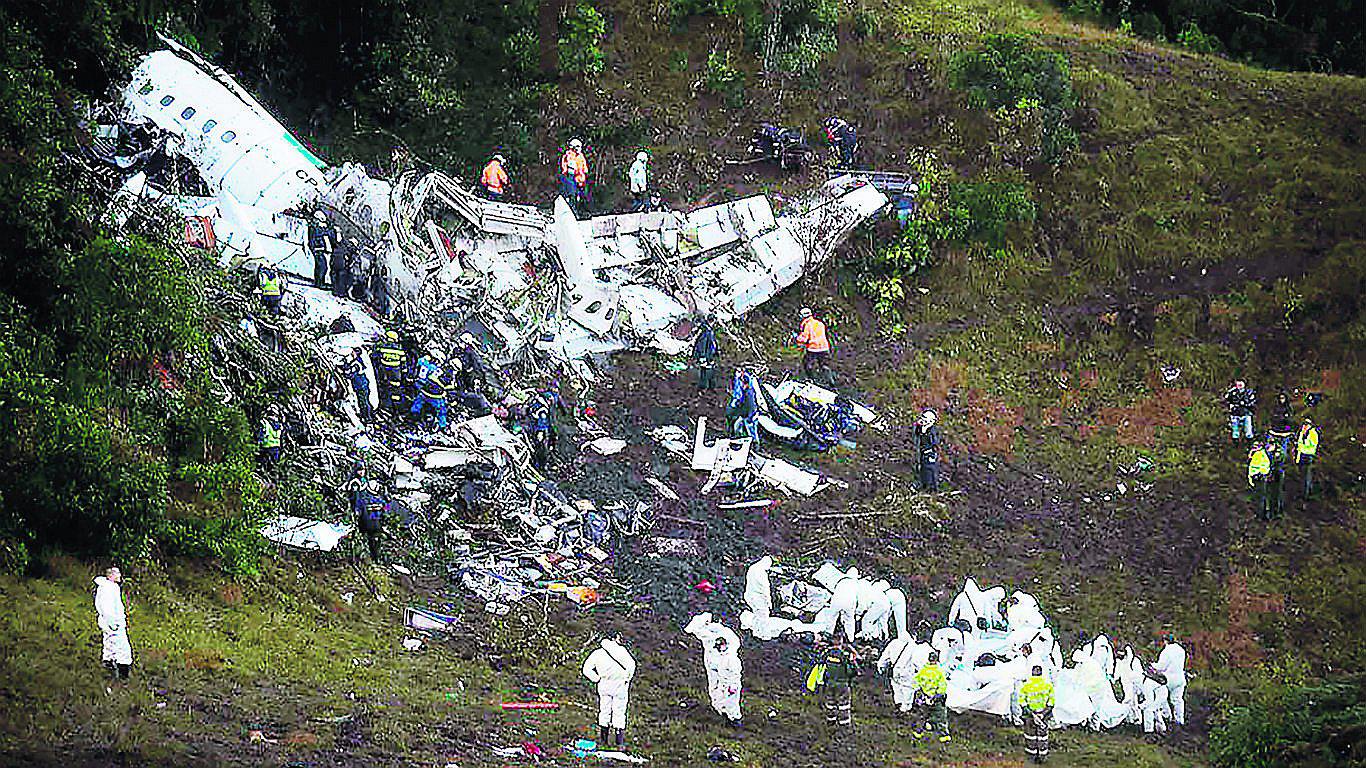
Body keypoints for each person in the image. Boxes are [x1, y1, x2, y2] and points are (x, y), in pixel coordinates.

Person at [685, 613, 743, 727]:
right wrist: (705, 619)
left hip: (727, 670)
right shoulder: (707, 634)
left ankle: (734, 718)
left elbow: (734, 674)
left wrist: (733, 685)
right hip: (713, 666)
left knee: (730, 694)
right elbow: (690, 628)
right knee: (715, 690)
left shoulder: (730, 650)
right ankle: (722, 711)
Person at [582, 636, 636, 748]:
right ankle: (619, 742)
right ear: (615, 637)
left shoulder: (597, 653)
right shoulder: (622, 651)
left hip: (604, 684)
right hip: (620, 685)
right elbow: (632, 666)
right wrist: (626, 679)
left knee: (604, 711)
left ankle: (604, 741)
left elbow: (586, 669)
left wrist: (597, 679)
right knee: (619, 712)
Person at [94, 567, 133, 680]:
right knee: (122, 648)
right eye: (118, 573)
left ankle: (109, 669)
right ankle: (122, 675)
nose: (120, 575)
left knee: (110, 645)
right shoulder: (107, 589)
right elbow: (106, 608)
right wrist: (113, 623)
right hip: (112, 623)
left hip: (111, 622)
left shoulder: (111, 587)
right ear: (111, 575)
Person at [812, 636, 858, 730]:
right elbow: (851, 671)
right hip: (842, 683)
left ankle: (830, 720)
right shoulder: (844, 656)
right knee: (844, 704)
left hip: (829, 683)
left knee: (830, 702)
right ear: (841, 642)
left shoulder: (827, 654)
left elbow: (820, 664)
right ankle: (844, 724)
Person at [912, 650, 950, 743]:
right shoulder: (939, 672)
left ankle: (918, 733)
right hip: (936, 699)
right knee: (940, 717)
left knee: (922, 716)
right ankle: (944, 736)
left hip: (924, 697)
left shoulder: (923, 670)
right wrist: (937, 696)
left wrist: (922, 693)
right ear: (937, 660)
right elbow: (942, 686)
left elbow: (916, 682)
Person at [1020, 665, 1055, 763]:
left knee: (1030, 735)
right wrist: (1043, 714)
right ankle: (1042, 756)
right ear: (1041, 673)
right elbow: (1051, 702)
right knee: (1042, 736)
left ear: (1032, 673)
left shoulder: (1026, 686)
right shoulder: (1048, 686)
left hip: (1030, 716)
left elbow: (1022, 702)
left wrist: (1031, 713)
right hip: (1043, 715)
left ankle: (1032, 756)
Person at [525, 384, 564, 469]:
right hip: (539, 427)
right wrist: (540, 431)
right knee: (541, 446)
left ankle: (550, 454)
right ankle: (539, 464)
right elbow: (541, 420)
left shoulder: (546, 400)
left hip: (545, 424)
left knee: (549, 440)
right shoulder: (542, 408)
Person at [1153, 633, 1187, 727]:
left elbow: (1161, 666)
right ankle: (1180, 721)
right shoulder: (1181, 650)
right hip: (1180, 678)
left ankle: (1167, 716)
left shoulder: (1166, 651)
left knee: (1161, 697)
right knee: (1178, 700)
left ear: (1165, 641)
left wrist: (1152, 665)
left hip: (1168, 679)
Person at [793, 307, 831, 384]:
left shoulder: (807, 325)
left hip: (813, 348)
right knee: (824, 366)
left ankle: (812, 380)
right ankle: (831, 384)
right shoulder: (820, 323)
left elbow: (804, 339)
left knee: (807, 364)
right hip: (824, 347)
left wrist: (796, 337)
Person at [410, 363, 452, 431]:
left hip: (424, 392)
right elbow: (448, 388)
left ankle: (413, 415)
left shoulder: (436, 369)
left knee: (418, 403)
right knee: (441, 410)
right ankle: (442, 426)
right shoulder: (450, 376)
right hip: (435, 397)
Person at [374, 331, 407, 413]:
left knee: (384, 387)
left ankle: (386, 406)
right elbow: (403, 362)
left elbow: (376, 355)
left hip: (384, 371)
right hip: (395, 372)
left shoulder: (382, 347)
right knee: (395, 389)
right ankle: (397, 407)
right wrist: (404, 373)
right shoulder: (399, 348)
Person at [355, 480, 387, 561]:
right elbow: (386, 509)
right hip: (375, 524)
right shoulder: (380, 499)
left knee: (372, 540)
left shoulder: (363, 498)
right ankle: (376, 557)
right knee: (375, 541)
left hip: (368, 525)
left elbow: (357, 511)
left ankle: (373, 557)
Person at [726, 369, 760, 442]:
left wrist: (746, 416)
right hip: (746, 413)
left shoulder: (749, 393)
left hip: (750, 415)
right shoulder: (745, 391)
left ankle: (753, 445)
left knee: (750, 430)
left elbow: (750, 407)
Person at [914, 409, 942, 492]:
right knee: (923, 469)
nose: (922, 419)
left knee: (930, 470)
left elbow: (934, 442)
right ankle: (924, 486)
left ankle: (932, 489)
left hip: (930, 454)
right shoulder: (921, 428)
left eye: (925, 417)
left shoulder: (932, 431)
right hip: (923, 453)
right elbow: (917, 434)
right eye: (922, 417)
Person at [559, 138, 589, 213]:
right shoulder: (569, 155)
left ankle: (581, 211)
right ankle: (573, 211)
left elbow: (584, 168)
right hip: (571, 178)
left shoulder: (580, 156)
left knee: (582, 196)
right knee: (572, 196)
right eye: (578, 147)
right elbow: (569, 169)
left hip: (580, 180)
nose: (579, 149)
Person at [307, 210, 335, 288]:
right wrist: (329, 227)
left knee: (320, 266)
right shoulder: (314, 228)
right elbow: (322, 233)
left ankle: (318, 282)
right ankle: (320, 283)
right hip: (317, 249)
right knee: (322, 266)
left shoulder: (314, 227)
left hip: (319, 249)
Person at [343, 348, 372, 422]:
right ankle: (366, 415)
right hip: (362, 385)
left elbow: (350, 375)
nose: (352, 353)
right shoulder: (357, 361)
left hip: (361, 386)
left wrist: (345, 368)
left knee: (363, 402)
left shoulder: (356, 364)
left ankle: (367, 417)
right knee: (364, 401)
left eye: (353, 352)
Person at [693, 316, 719, 391]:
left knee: (706, 371)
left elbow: (712, 343)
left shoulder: (709, 330)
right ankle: (705, 387)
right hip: (705, 355)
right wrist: (702, 356)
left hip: (707, 356)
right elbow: (702, 344)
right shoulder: (706, 331)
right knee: (706, 371)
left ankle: (707, 387)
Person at [1247, 440, 1272, 519]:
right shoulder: (1260, 454)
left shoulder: (1259, 454)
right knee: (1263, 496)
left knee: (1260, 497)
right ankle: (1265, 513)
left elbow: (1253, 468)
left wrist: (1251, 478)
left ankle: (1261, 514)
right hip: (1261, 477)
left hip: (1259, 477)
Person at [1295, 417, 1319, 498]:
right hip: (1301, 455)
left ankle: (1306, 493)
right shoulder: (1302, 432)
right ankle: (1303, 491)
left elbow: (1312, 447)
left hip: (1308, 455)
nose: (1305, 426)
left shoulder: (1313, 433)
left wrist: (1302, 448)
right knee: (1302, 475)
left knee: (1306, 475)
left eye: (1307, 425)